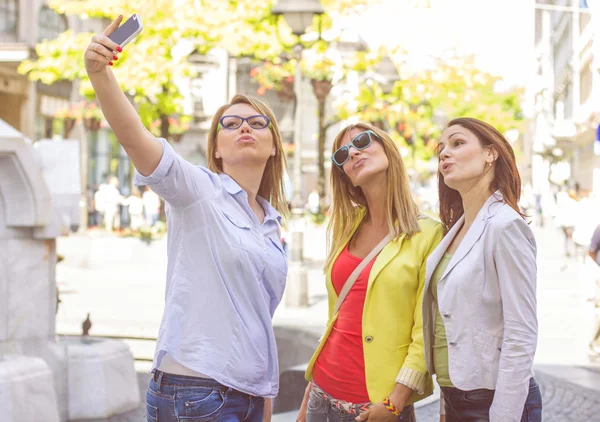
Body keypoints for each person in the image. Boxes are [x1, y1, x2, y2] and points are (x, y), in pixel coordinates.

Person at [84, 16, 289, 422]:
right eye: (230, 124)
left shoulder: (271, 224)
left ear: (273, 147)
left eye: (256, 122)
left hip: (248, 394)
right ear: (216, 149)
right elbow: (135, 138)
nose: (244, 127)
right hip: (194, 394)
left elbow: (256, 318)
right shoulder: (198, 191)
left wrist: (264, 401)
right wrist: (100, 75)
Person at [297, 123, 443, 422]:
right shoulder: (346, 228)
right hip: (321, 393)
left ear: (386, 147)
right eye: (342, 154)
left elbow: (425, 331)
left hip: (378, 404)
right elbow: (337, 318)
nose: (352, 152)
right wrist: (308, 396)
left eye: (361, 140)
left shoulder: (429, 233)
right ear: (346, 176)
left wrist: (396, 402)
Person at [424, 117, 541, 422]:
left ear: (490, 153)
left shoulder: (505, 225)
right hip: (454, 396)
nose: (444, 154)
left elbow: (522, 332)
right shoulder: (456, 229)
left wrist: (503, 416)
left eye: (457, 143)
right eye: (441, 148)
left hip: (493, 401)